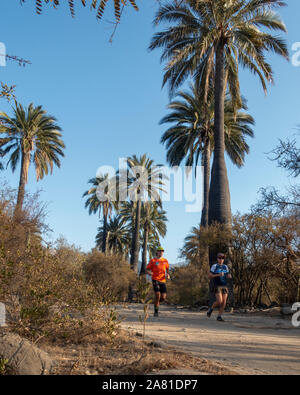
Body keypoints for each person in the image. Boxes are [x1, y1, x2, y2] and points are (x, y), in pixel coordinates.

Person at [207, 252, 232, 322]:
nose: (221, 259)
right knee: (219, 301)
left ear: (224, 259)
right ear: (217, 259)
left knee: (224, 302)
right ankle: (211, 309)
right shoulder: (214, 266)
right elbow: (209, 276)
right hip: (217, 285)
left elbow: (227, 275)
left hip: (224, 286)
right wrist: (218, 275)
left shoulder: (225, 267)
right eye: (219, 258)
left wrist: (229, 276)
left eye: (222, 258)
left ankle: (219, 316)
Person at [146, 246, 170, 317]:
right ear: (157, 252)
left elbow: (168, 270)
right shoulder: (153, 261)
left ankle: (156, 303)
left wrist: (168, 275)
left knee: (163, 297)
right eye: (160, 251)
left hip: (163, 281)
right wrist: (149, 273)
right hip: (155, 279)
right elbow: (147, 269)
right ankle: (156, 312)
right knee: (157, 295)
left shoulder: (165, 261)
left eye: (162, 251)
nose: (161, 252)